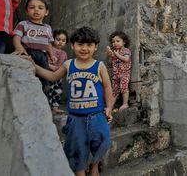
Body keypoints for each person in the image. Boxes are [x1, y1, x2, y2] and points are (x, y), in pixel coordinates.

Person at [24, 26, 113, 176]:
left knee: (103, 142)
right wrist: (35, 66)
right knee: (76, 149)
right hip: (76, 119)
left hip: (97, 115)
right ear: (72, 45)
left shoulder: (100, 66)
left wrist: (109, 107)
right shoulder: (68, 64)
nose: (84, 48)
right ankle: (80, 171)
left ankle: (95, 164)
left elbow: (107, 86)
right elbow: (52, 77)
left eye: (89, 45)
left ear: (96, 46)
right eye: (80, 44)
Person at [13, 0, 56, 95]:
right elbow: (16, 37)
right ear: (26, 11)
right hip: (27, 54)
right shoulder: (23, 24)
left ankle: (44, 97)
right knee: (27, 76)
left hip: (43, 55)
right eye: (32, 7)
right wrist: (18, 47)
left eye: (40, 8)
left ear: (46, 12)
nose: (36, 10)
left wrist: (52, 55)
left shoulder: (48, 28)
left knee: (44, 78)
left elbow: (49, 43)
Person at [107, 31, 131, 110]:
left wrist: (117, 55)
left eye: (118, 41)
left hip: (124, 74)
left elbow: (126, 59)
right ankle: (110, 106)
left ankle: (125, 104)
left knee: (124, 88)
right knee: (114, 91)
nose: (115, 43)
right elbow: (110, 63)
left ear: (124, 42)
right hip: (116, 75)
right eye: (113, 42)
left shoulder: (126, 50)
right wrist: (110, 56)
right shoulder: (114, 52)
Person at [48, 29, 68, 114]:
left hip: (58, 77)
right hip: (48, 74)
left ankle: (55, 108)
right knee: (49, 90)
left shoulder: (64, 53)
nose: (60, 42)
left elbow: (66, 64)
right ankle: (48, 107)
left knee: (57, 91)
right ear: (53, 39)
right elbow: (44, 61)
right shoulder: (49, 50)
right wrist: (50, 66)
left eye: (63, 41)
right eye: (58, 39)